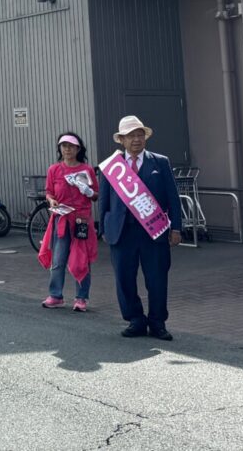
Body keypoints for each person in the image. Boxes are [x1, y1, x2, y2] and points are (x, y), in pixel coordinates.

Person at [97, 115, 184, 341]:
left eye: (139, 135)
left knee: (157, 278)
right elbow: (104, 201)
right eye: (130, 136)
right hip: (121, 231)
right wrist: (104, 229)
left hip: (154, 231)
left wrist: (176, 228)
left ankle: (157, 322)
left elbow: (173, 198)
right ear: (121, 140)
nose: (136, 139)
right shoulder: (111, 167)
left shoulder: (160, 162)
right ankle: (135, 319)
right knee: (124, 279)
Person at [37, 131, 99, 312]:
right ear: (60, 148)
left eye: (71, 146)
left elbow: (96, 195)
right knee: (58, 259)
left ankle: (81, 298)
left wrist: (87, 191)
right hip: (61, 218)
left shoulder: (86, 170)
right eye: (64, 146)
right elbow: (49, 192)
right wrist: (52, 201)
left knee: (82, 260)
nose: (67, 149)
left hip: (81, 220)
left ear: (78, 148)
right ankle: (56, 295)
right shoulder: (54, 169)